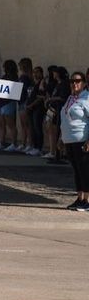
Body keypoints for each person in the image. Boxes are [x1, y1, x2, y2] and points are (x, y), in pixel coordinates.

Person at [61, 71, 89, 211]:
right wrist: (61, 138)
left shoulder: (86, 98)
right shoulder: (71, 98)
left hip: (81, 140)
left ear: (84, 83)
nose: (74, 84)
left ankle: (87, 200)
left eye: (77, 81)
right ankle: (80, 198)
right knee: (77, 170)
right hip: (69, 140)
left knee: (85, 170)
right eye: (72, 81)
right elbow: (65, 119)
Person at [0, 60, 19, 151]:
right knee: (1, 123)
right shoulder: (4, 77)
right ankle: (1, 142)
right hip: (1, 102)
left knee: (10, 124)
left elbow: (14, 90)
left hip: (8, 102)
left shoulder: (14, 78)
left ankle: (14, 143)